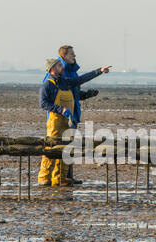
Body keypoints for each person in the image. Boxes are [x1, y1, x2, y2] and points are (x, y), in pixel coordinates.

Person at [37, 58, 111, 187]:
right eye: (59, 65)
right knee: (51, 148)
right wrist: (60, 109)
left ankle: (60, 178)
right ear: (52, 69)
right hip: (55, 121)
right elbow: (43, 103)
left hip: (69, 121)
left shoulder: (66, 82)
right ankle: (44, 178)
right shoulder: (47, 84)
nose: (62, 67)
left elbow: (81, 79)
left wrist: (99, 71)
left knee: (67, 149)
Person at [56, 45, 100, 184]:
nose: (74, 56)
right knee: (63, 146)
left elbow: (74, 94)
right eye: (72, 54)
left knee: (71, 145)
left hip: (73, 113)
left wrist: (86, 95)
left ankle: (68, 176)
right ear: (64, 56)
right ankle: (62, 177)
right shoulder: (61, 73)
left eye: (74, 54)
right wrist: (99, 71)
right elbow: (74, 84)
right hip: (63, 115)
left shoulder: (72, 72)